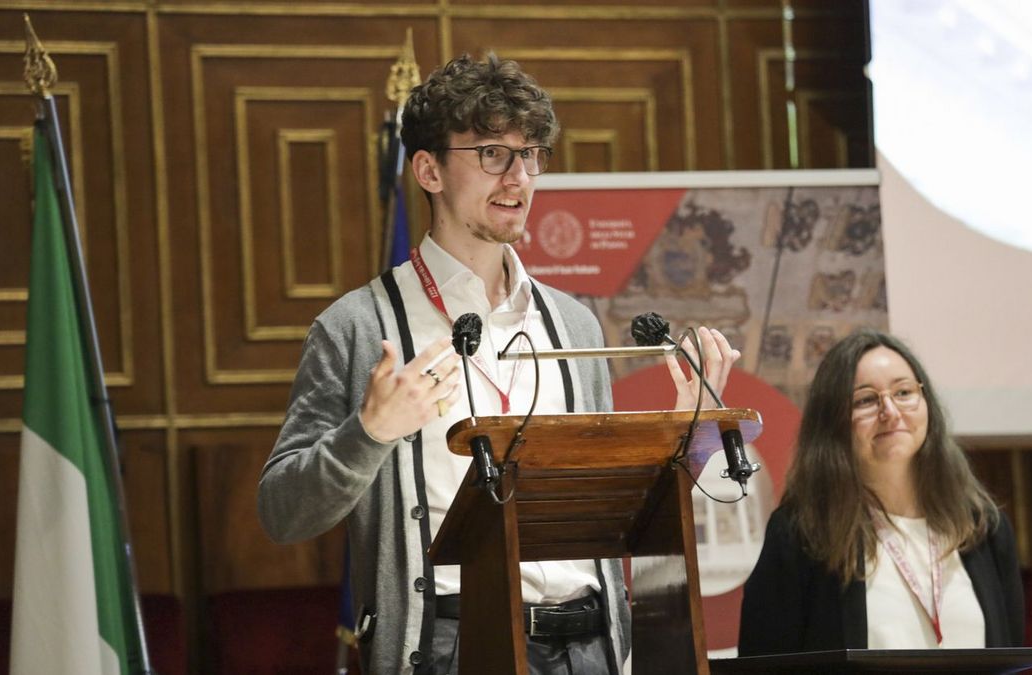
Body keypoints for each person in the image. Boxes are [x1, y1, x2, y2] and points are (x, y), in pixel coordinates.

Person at [257, 52, 739, 675]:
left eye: (530, 153)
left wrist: (681, 437)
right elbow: (282, 512)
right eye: (491, 154)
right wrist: (369, 433)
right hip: (450, 645)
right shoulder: (358, 327)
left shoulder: (573, 323)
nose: (518, 177)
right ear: (428, 169)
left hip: (589, 645)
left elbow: (612, 508)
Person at [739, 328, 1023, 654]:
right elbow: (762, 661)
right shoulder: (801, 535)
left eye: (903, 392)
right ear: (833, 422)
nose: (890, 411)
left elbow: (1009, 653)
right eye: (866, 400)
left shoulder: (984, 528)